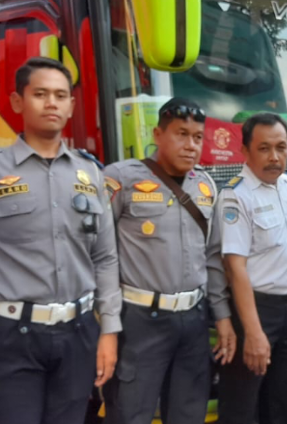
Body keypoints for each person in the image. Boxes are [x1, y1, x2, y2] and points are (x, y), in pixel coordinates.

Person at [0, 57, 121, 424]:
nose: (51, 103)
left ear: (71, 106)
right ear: (18, 102)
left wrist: (109, 329)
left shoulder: (90, 171)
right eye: (41, 94)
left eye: (61, 95)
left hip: (79, 331)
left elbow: (106, 257)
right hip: (9, 337)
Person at [102, 97, 236, 424]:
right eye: (181, 134)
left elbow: (213, 258)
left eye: (197, 137)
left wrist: (221, 316)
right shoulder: (121, 179)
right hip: (139, 322)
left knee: (189, 413)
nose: (191, 145)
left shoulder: (205, 186)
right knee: (131, 413)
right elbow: (100, 255)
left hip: (193, 321)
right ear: (158, 134)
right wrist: (106, 323)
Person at [216, 113, 287, 424]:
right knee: (241, 407)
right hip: (255, 311)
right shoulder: (236, 195)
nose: (274, 157)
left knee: (284, 404)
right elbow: (235, 268)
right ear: (245, 151)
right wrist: (255, 333)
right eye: (264, 148)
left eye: (281, 147)